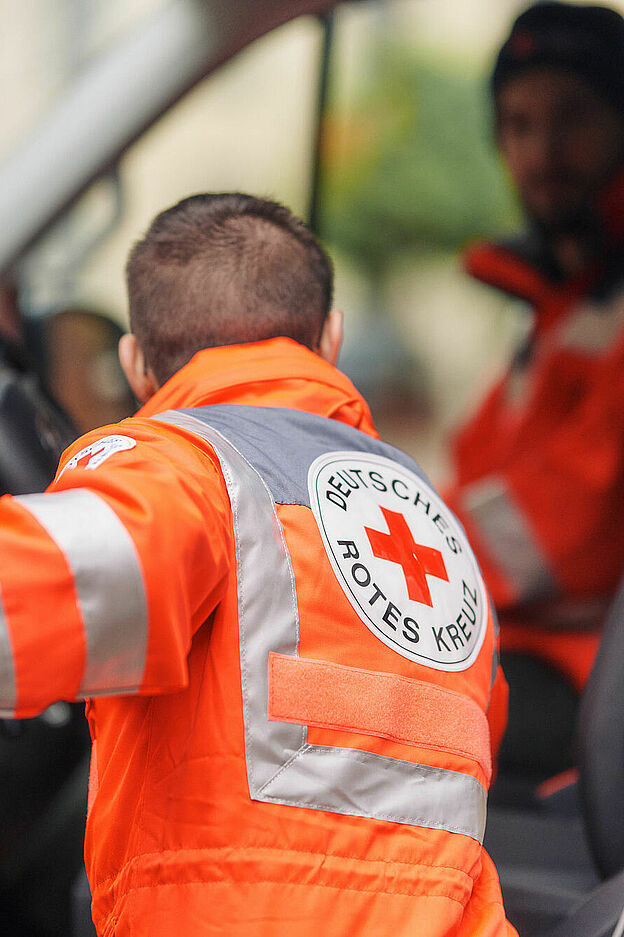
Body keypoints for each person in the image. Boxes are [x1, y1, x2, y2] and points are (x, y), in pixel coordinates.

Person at [0, 193, 513, 936]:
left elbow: (29, 597)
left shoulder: (187, 469)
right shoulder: (434, 521)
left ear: (135, 364)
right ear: (330, 341)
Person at [443, 1, 624, 783]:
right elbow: (472, 469)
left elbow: (569, 536)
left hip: (591, 678)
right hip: (530, 652)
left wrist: (392, 551)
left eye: (573, 117)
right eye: (517, 126)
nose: (542, 150)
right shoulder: (563, 310)